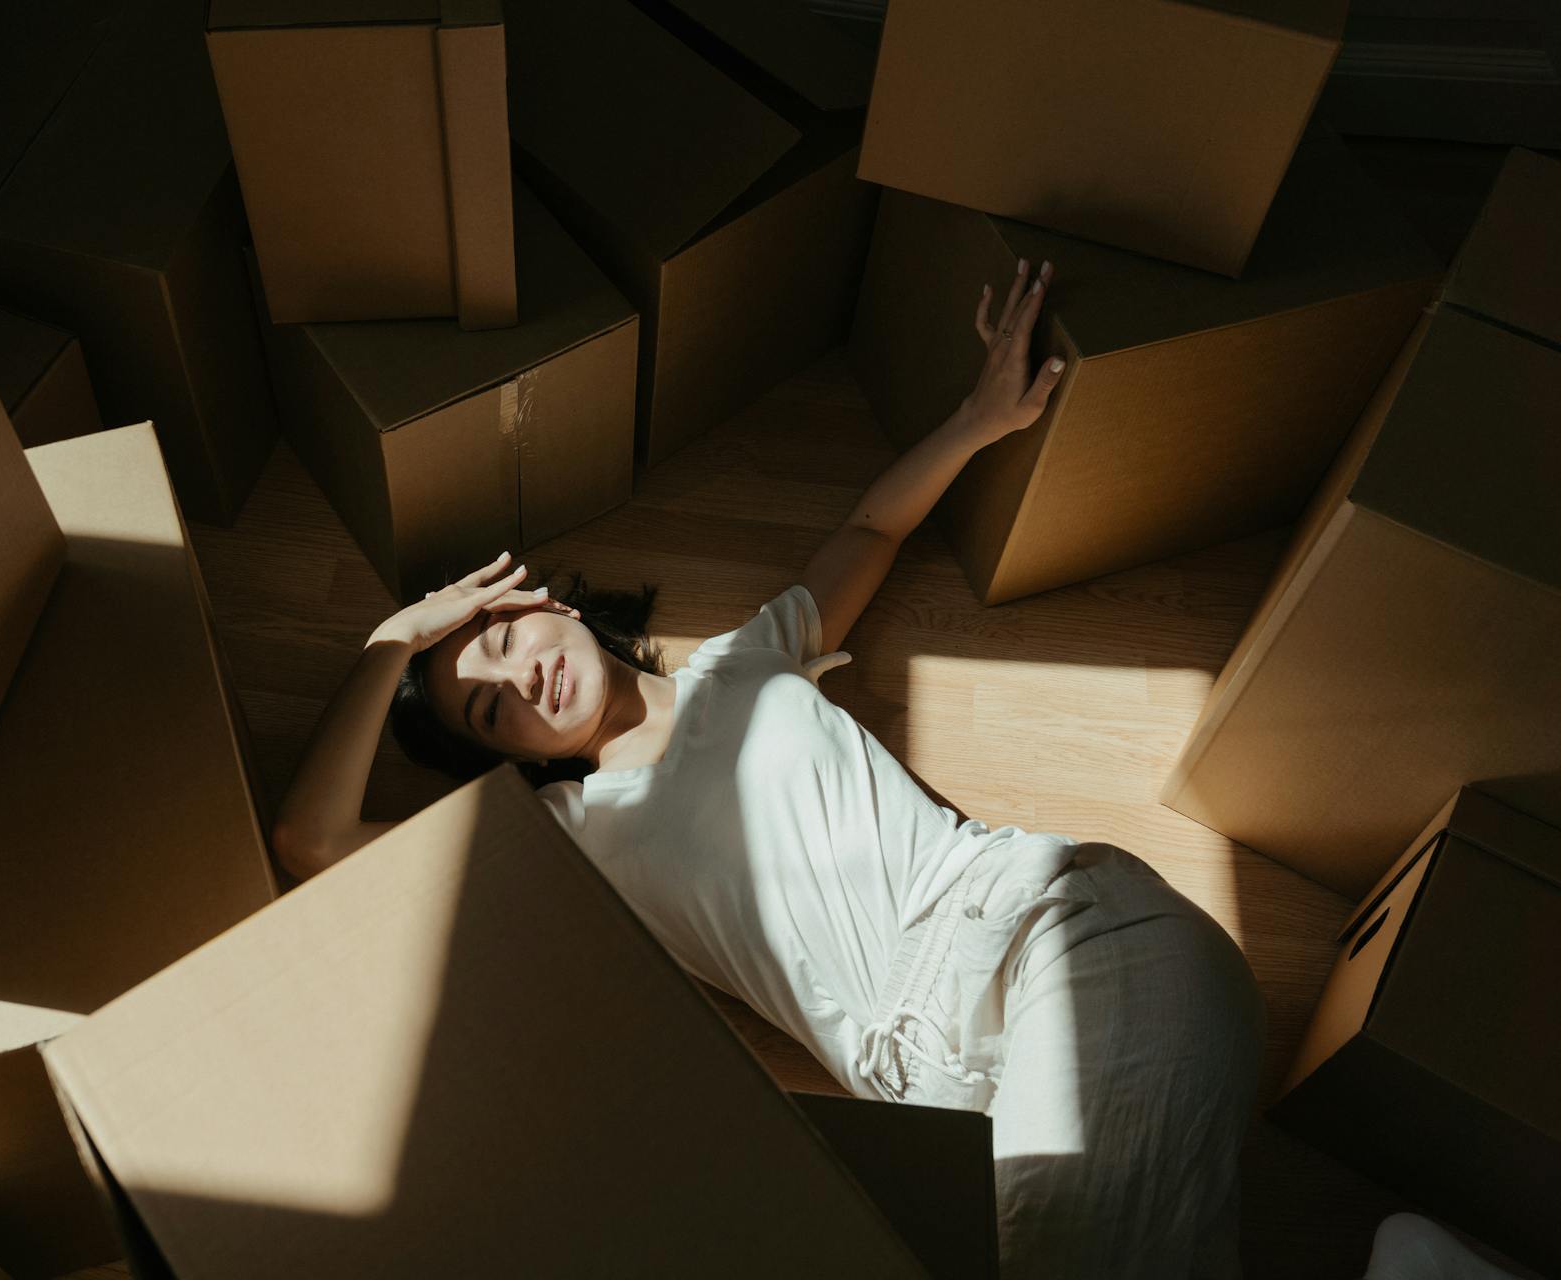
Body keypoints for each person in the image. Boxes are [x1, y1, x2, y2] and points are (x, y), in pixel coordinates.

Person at [271, 258, 1266, 1279]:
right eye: (492, 709)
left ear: (549, 605)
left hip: (1054, 932)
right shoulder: (563, 837)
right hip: (935, 1098)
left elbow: (869, 529)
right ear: (504, 756)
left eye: (503, 644)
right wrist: (394, 639)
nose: (525, 686)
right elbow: (310, 839)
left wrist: (978, 416)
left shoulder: (743, 658)